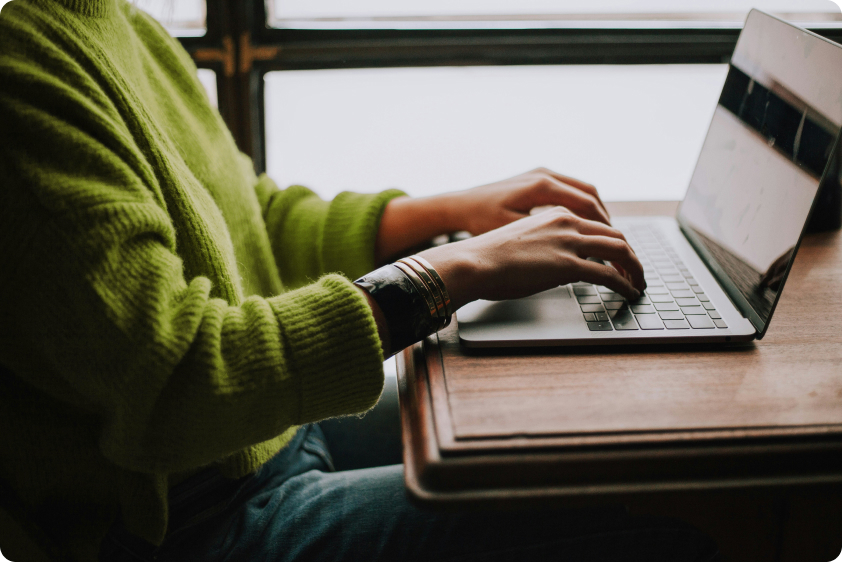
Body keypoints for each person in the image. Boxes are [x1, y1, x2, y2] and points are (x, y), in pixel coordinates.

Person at [0, 1, 720, 561]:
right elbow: (183, 379)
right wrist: (452, 271)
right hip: (186, 523)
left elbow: (254, 218)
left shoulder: (123, 26)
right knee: (646, 510)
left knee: (587, 419)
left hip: (263, 434)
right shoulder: (24, 78)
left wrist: (450, 212)